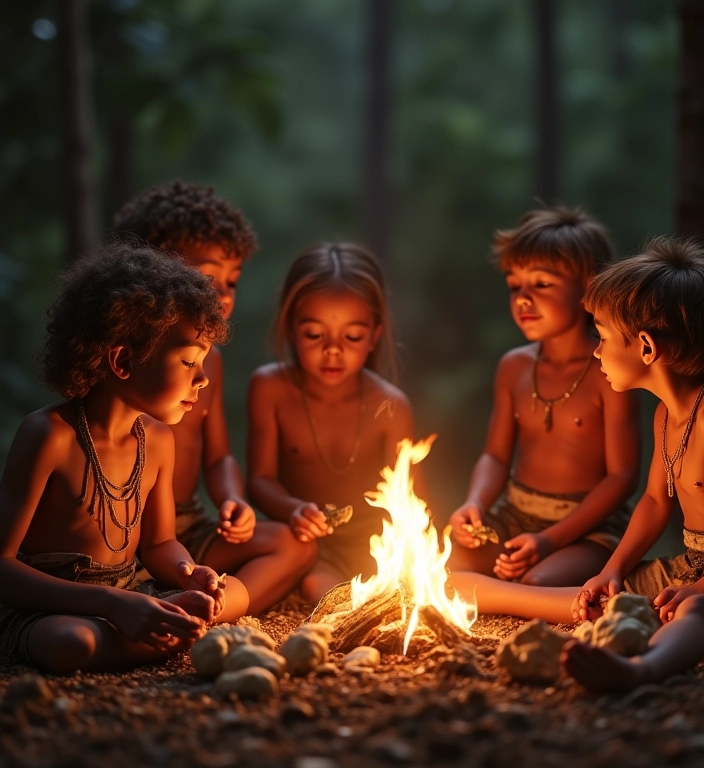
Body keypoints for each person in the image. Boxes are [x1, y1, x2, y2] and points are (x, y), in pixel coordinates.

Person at [449, 236, 704, 692]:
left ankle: (641, 671)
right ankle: (485, 592)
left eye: (601, 337)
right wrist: (613, 570)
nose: (595, 351)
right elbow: (655, 503)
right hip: (692, 567)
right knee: (593, 599)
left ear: (645, 347)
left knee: (700, 612)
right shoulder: (665, 412)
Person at [0, 243, 247, 674]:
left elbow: (157, 544)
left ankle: (160, 625)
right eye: (189, 361)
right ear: (122, 360)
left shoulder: (157, 439)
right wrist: (111, 603)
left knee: (234, 593)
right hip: (48, 606)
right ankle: (167, 631)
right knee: (70, 642)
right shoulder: (48, 436)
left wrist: (189, 573)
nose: (204, 379)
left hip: (129, 591)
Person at [113, 181, 315, 614]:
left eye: (232, 281)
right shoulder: (129, 365)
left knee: (292, 544)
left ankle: (214, 610)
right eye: (208, 277)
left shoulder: (211, 364)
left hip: (187, 524)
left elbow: (218, 457)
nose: (222, 294)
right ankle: (163, 604)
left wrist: (231, 499)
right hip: (124, 530)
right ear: (154, 270)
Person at [448, 206, 641, 586]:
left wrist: (549, 539)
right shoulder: (514, 367)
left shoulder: (610, 372)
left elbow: (623, 477)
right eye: (513, 284)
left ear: (588, 288)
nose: (522, 298)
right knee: (442, 559)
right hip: (513, 517)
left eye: (541, 284)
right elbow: (495, 455)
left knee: (537, 582)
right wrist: (475, 504)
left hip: (589, 529)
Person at [247, 242, 414, 604]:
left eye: (352, 336)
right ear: (291, 328)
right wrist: (292, 509)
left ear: (374, 334)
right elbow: (260, 480)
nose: (333, 350)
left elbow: (409, 501)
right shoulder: (270, 389)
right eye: (314, 334)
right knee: (319, 588)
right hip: (307, 543)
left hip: (374, 543)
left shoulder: (390, 406)